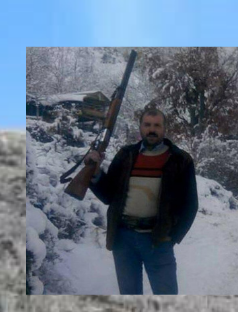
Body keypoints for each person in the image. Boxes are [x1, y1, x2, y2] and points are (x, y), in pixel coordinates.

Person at [85, 107, 198, 295]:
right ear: (140, 127)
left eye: (156, 125)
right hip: (123, 240)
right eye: (147, 125)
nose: (151, 129)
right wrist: (95, 172)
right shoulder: (125, 155)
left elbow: (191, 204)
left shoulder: (180, 159)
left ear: (164, 128)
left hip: (158, 239)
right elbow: (108, 194)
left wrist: (173, 237)